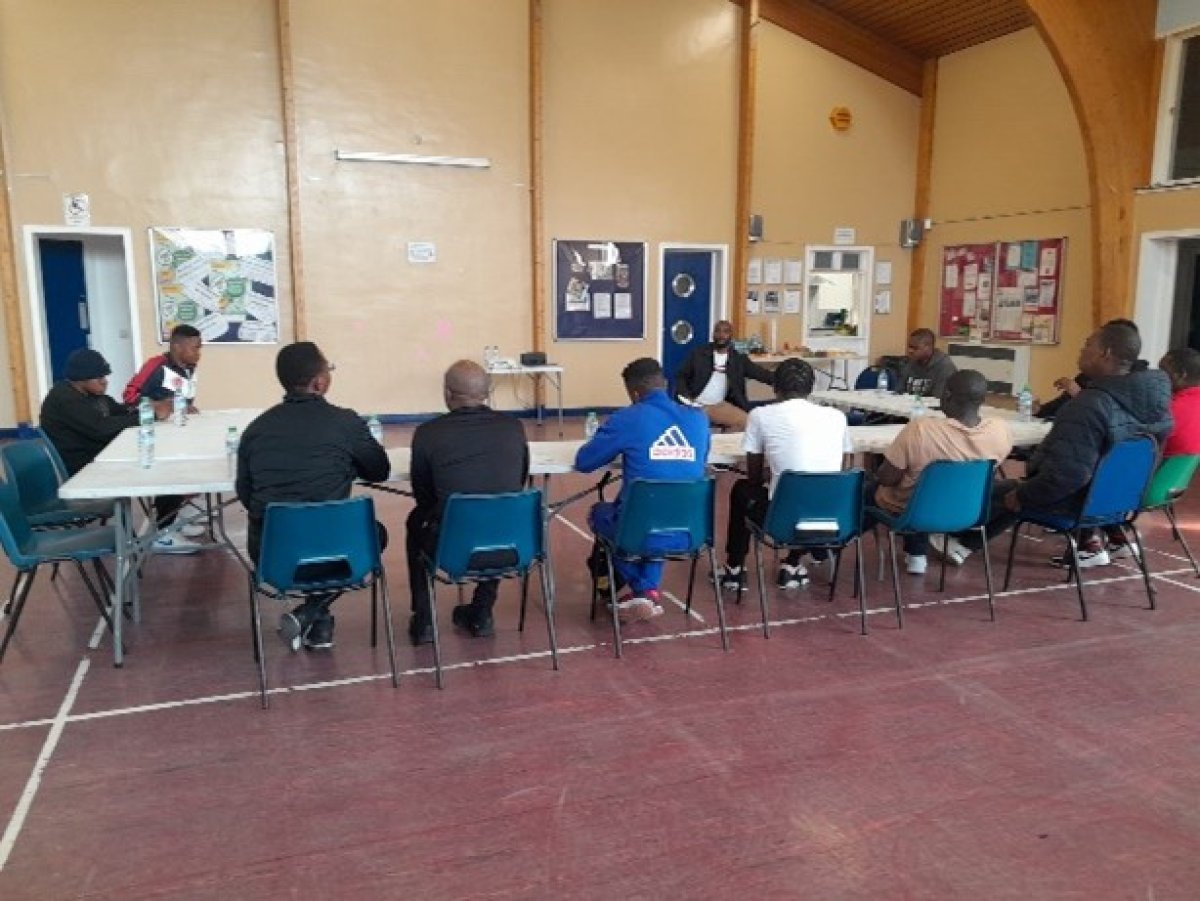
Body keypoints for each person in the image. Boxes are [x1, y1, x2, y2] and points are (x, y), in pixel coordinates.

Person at [977, 322, 1173, 569]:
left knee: (987, 491)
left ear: (1106, 353)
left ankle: (950, 541)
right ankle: (1102, 539)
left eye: (1087, 345)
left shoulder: (1090, 404)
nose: (1081, 350)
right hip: (1120, 502)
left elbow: (1067, 476)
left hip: (1075, 503)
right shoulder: (1156, 404)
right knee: (1010, 490)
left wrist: (1023, 494)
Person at [236, 341, 390, 650]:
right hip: (336, 551)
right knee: (372, 534)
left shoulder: (255, 430)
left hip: (272, 554)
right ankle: (313, 611)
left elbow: (246, 494)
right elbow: (379, 471)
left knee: (306, 527)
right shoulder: (345, 422)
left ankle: (314, 616)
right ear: (319, 383)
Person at [577, 357, 710, 622]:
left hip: (639, 530)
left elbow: (585, 462)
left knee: (600, 514)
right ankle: (648, 591)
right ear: (665, 384)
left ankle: (644, 589)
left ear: (634, 393)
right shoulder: (698, 420)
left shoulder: (628, 418)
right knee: (658, 511)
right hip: (690, 531)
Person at [407, 360, 529, 645]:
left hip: (452, 547)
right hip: (513, 545)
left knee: (416, 522)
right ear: (486, 394)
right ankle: (482, 611)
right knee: (499, 515)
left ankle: (424, 619)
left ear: (448, 394)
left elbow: (423, 496)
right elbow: (518, 482)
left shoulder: (428, 433)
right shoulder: (514, 428)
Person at [718, 358, 851, 591]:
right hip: (832, 517)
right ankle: (791, 564)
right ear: (811, 389)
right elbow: (844, 467)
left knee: (742, 490)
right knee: (810, 495)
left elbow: (754, 477)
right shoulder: (837, 417)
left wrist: (773, 474)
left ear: (775, 387)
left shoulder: (760, 415)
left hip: (780, 520)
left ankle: (734, 569)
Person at [870, 369, 1012, 573]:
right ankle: (942, 549)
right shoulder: (1000, 430)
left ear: (946, 395)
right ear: (983, 399)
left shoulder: (920, 430)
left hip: (912, 510)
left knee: (867, 490)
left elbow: (887, 478)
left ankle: (823, 550)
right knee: (1015, 488)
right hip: (966, 510)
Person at [123, 324, 205, 544]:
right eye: (194, 348)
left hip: (176, 431)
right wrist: (161, 404)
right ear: (177, 347)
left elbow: (182, 398)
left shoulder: (189, 367)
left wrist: (185, 407)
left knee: (192, 462)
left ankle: (178, 515)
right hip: (153, 435)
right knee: (173, 472)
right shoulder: (156, 366)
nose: (198, 353)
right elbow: (129, 399)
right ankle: (164, 532)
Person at [40, 347, 170, 475]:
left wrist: (149, 407)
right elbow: (101, 428)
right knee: (154, 468)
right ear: (81, 378)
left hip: (99, 457)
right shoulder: (65, 398)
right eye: (99, 377)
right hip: (83, 469)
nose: (104, 382)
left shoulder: (90, 395)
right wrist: (150, 415)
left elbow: (121, 411)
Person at [674, 320, 775, 430]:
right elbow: (681, 376)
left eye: (725, 332)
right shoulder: (699, 354)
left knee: (746, 421)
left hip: (719, 405)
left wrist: (785, 381)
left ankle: (722, 443)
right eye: (718, 331)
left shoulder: (738, 359)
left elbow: (761, 374)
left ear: (731, 335)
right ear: (713, 334)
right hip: (697, 404)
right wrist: (687, 397)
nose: (721, 335)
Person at [1036, 318, 1145, 420]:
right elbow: (1053, 409)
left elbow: (1113, 421)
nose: (1082, 349)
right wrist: (1036, 409)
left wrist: (1079, 395)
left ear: (1106, 352)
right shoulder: (1086, 377)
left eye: (1089, 344)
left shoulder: (1136, 387)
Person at [1159, 347, 1200, 457]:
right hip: (1191, 473)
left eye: (1163, 371)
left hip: (1166, 472)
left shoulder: (1169, 410)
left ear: (1181, 375)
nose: (1158, 376)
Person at [895, 328, 957, 398]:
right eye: (909, 347)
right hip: (907, 406)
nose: (910, 351)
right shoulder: (911, 362)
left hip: (930, 407)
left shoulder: (945, 367)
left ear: (928, 347)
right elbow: (899, 391)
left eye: (915, 348)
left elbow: (938, 399)